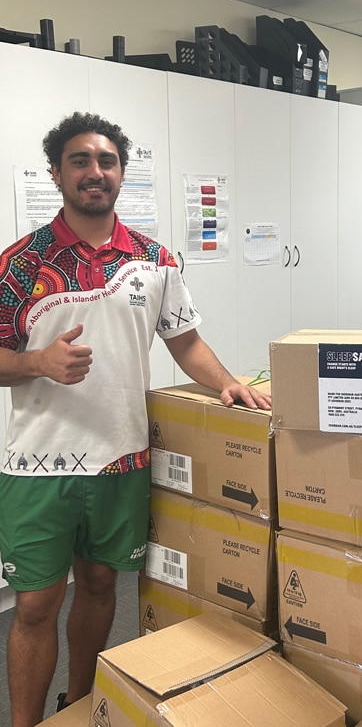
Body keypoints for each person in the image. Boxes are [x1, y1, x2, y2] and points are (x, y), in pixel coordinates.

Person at [0, 112, 272, 727]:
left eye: (107, 161)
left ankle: (77, 707)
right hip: (37, 466)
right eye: (80, 161)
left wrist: (228, 381)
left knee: (100, 590)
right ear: (56, 173)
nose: (95, 172)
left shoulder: (154, 259)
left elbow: (185, 343)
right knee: (37, 605)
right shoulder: (18, 265)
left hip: (120, 458)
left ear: (121, 173)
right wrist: (36, 361)